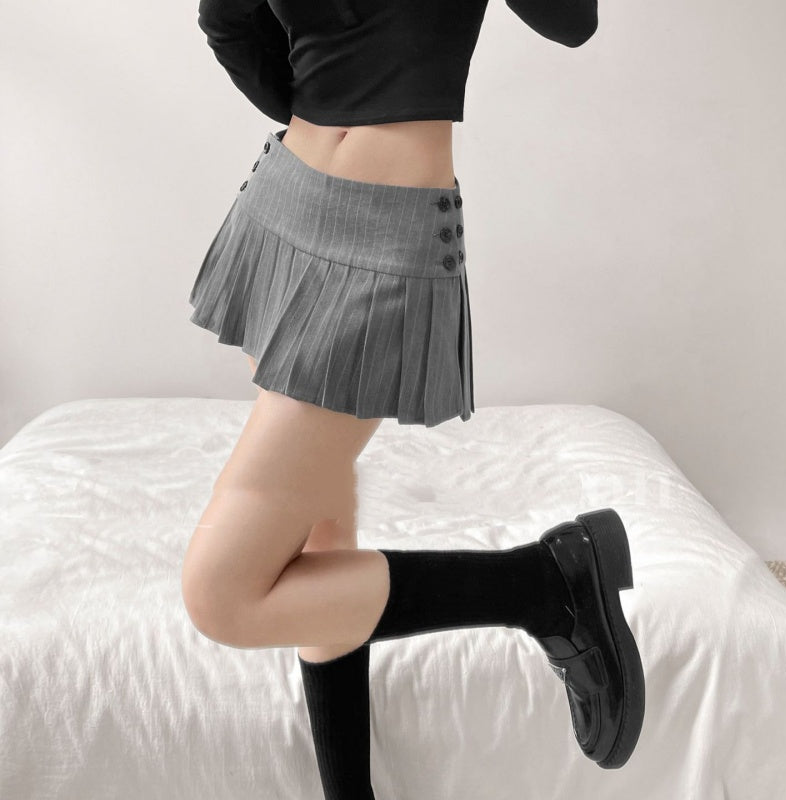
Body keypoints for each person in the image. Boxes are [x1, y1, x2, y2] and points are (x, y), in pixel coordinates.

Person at [182, 0, 645, 795]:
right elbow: (226, 18)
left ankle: (550, 585)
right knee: (319, 524)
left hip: (378, 234)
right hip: (285, 205)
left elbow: (571, 20)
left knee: (221, 594)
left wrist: (346, 114)